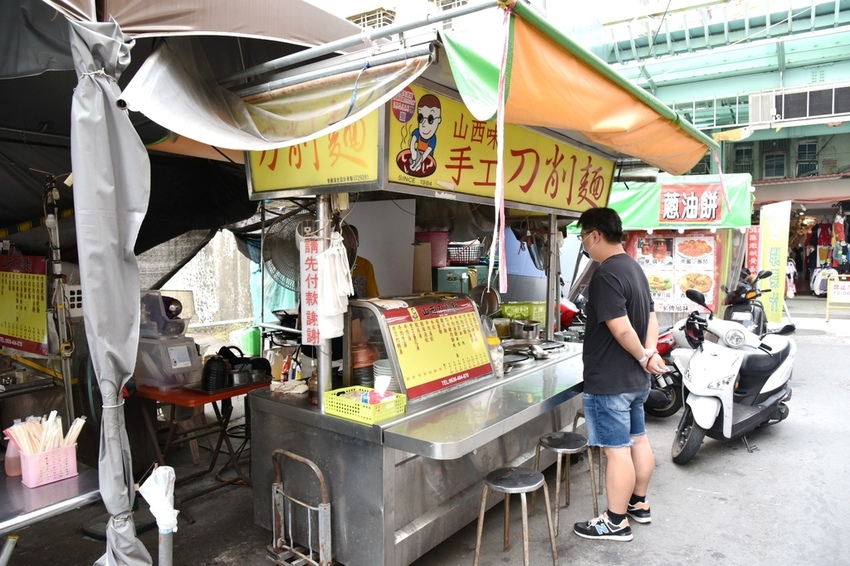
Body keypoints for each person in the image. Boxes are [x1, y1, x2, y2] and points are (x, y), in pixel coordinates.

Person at [572, 207, 663, 542]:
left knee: (616, 450)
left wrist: (642, 354)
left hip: (610, 382)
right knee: (638, 439)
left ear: (595, 235)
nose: (585, 244)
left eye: (583, 237)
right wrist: (648, 354)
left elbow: (619, 326)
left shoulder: (606, 274)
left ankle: (615, 521)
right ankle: (639, 503)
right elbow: (652, 316)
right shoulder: (634, 268)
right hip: (635, 381)